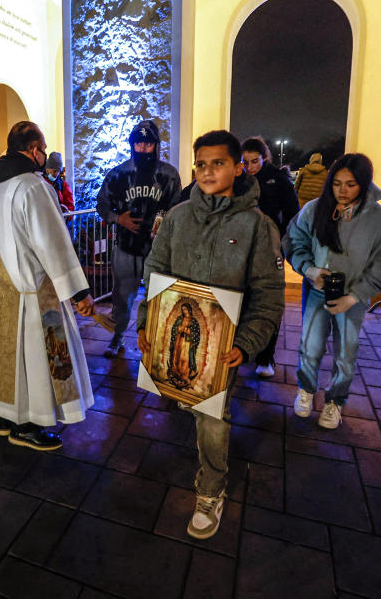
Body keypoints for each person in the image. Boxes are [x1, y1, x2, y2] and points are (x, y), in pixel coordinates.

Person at [137, 129, 284, 540]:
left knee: (212, 414)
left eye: (217, 163)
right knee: (182, 397)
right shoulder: (178, 216)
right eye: (200, 163)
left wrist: (247, 341)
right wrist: (146, 322)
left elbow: (269, 294)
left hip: (223, 344)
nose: (206, 171)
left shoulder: (257, 226)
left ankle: (211, 488)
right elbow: (155, 270)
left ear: (238, 167)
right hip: (177, 331)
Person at [0, 121, 95, 450]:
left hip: (0, 287)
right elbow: (52, 243)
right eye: (42, 150)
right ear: (34, 150)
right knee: (36, 359)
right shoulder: (33, 185)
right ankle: (29, 425)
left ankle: (6, 419)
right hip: (33, 290)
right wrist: (79, 291)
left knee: (8, 359)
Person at [284, 153, 381, 429]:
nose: (342, 191)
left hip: (353, 296)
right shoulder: (314, 209)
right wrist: (310, 270)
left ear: (364, 184)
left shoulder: (378, 219)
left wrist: (355, 296)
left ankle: (335, 401)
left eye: (350, 184)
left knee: (346, 351)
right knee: (310, 345)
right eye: (336, 184)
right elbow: (293, 241)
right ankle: (307, 389)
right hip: (317, 291)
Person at [96, 119, 181, 357]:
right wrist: (117, 218)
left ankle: (155, 340)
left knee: (159, 296)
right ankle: (118, 336)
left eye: (148, 144)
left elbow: (177, 207)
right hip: (126, 246)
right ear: (132, 144)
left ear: (156, 145)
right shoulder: (118, 174)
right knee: (122, 296)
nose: (143, 148)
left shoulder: (169, 175)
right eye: (139, 143)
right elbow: (102, 204)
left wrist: (164, 224)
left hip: (158, 248)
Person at [240, 136, 300, 378]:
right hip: (242, 248)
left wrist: (282, 244)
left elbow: (292, 213)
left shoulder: (279, 179)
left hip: (270, 248)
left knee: (268, 301)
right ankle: (245, 347)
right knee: (243, 301)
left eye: (254, 161)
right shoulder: (238, 178)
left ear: (264, 158)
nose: (250, 167)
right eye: (245, 162)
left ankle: (266, 357)